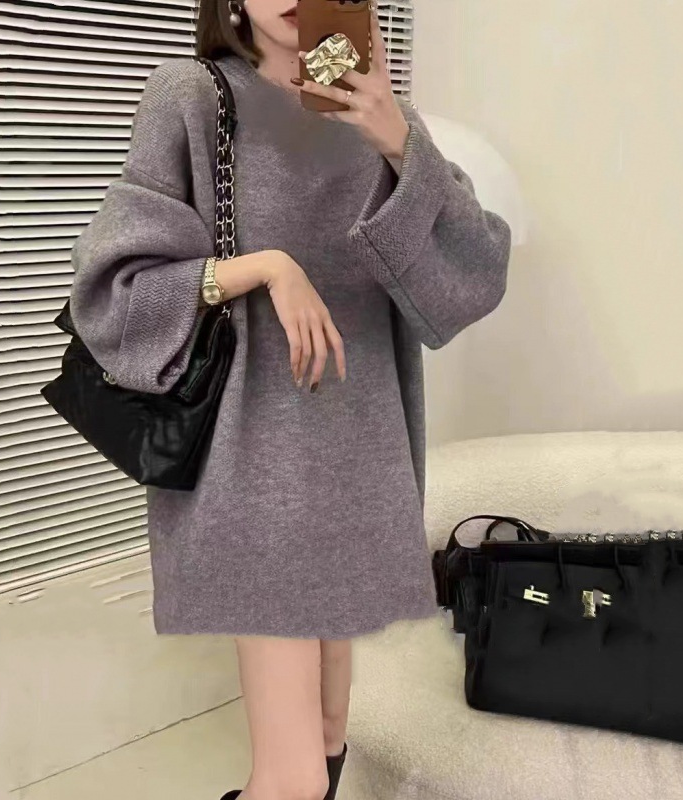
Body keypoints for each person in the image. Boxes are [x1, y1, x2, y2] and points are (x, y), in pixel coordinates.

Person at [68, 0, 511, 798]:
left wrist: (398, 142)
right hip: (252, 459)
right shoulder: (192, 96)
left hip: (363, 455)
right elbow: (115, 289)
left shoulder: (376, 105)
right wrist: (268, 268)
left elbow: (471, 277)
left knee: (335, 735)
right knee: (295, 778)